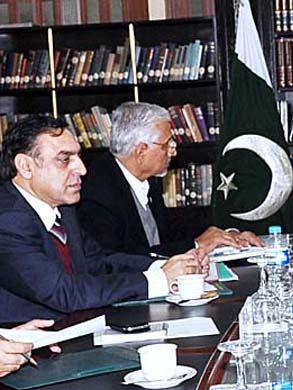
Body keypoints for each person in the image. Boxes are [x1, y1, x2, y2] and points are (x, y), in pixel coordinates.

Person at [0, 115, 205, 323]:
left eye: (78, 157)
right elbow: (65, 293)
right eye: (65, 159)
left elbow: (101, 263)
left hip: (75, 330)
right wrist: (158, 280)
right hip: (32, 346)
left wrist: (166, 266)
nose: (82, 169)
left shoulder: (63, 209)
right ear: (25, 167)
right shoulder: (7, 221)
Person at [78, 102, 263, 257]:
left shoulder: (146, 177)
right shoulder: (96, 194)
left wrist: (227, 235)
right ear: (141, 151)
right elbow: (117, 260)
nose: (173, 151)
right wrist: (197, 245)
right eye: (167, 145)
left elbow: (168, 230)